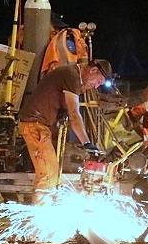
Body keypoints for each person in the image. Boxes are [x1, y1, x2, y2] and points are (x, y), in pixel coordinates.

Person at [17, 59, 111, 204]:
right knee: (48, 173)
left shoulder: (73, 75)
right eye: (98, 82)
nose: (96, 86)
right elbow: (74, 113)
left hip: (39, 125)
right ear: (93, 70)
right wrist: (86, 143)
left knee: (51, 171)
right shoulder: (71, 75)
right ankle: (41, 212)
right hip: (34, 125)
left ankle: (43, 207)